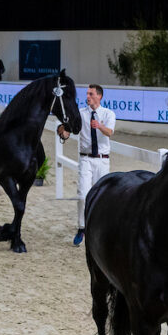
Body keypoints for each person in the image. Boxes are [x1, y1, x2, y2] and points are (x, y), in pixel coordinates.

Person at [56, 84, 115, 246]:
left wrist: (99, 126)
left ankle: (100, 227)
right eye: (87, 94)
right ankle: (82, 227)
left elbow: (110, 132)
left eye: (91, 94)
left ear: (99, 96)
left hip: (102, 160)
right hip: (86, 159)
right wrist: (63, 132)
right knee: (83, 194)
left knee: (102, 196)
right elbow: (68, 130)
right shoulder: (80, 114)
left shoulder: (108, 114)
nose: (87, 97)